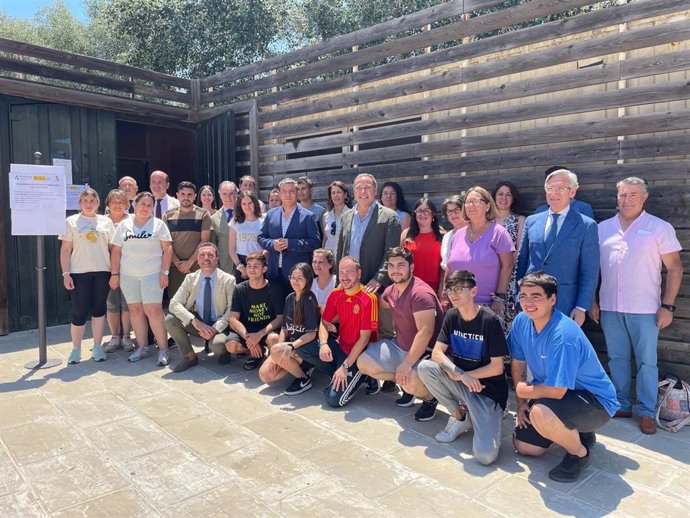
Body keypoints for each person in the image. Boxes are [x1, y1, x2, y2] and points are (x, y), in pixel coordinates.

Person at [590, 177, 683, 434]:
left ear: (644, 198)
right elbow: (593, 269)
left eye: (633, 195)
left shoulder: (658, 227)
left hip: (645, 309)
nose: (627, 199)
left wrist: (668, 306)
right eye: (622, 195)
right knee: (617, 358)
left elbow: (675, 268)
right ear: (616, 197)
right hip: (610, 306)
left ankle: (646, 412)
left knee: (647, 362)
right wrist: (593, 300)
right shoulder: (603, 228)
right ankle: (621, 403)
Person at [509, 272, 619, 483]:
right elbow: (518, 361)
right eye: (523, 295)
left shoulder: (563, 334)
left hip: (595, 402)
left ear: (552, 300)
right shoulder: (522, 321)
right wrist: (521, 402)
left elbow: (557, 391)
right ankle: (576, 432)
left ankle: (579, 453)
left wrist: (523, 391)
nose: (528, 302)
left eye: (536, 296)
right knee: (525, 447)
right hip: (558, 394)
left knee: (541, 414)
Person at [417, 270, 509, 465]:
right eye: (450, 289)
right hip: (463, 383)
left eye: (459, 288)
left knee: (485, 457)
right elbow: (437, 353)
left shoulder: (489, 321)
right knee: (425, 367)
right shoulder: (451, 315)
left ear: (474, 291)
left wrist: (466, 375)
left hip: (486, 392)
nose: (453, 294)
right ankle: (459, 417)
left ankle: (489, 417)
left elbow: (497, 367)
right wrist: (461, 375)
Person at [357, 247, 444, 421]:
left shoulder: (421, 294)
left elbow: (425, 333)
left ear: (411, 268)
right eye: (391, 266)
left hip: (425, 352)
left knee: (410, 379)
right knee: (364, 363)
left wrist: (406, 364)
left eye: (400, 265)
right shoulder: (392, 290)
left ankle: (429, 397)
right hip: (401, 345)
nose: (395, 270)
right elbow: (381, 304)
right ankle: (406, 384)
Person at [516, 169, 599, 326]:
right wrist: (518, 297)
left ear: (572, 192)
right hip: (530, 304)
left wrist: (581, 307)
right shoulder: (532, 222)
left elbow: (590, 271)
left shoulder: (586, 225)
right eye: (550, 188)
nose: (554, 193)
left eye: (560, 188)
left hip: (566, 304)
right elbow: (522, 262)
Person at [297, 256, 379, 407]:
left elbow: (365, 339)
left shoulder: (369, 298)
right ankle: (337, 373)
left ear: (359, 273)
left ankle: (363, 375)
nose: (345, 277)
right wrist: (323, 344)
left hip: (360, 354)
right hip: (341, 346)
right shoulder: (336, 293)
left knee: (333, 400)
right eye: (341, 272)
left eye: (349, 272)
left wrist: (345, 366)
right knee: (303, 347)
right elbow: (324, 322)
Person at [110, 192, 173, 366]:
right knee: (135, 310)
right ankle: (143, 347)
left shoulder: (158, 224)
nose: (145, 208)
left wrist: (164, 273)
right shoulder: (124, 225)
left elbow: (167, 249)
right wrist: (114, 274)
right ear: (134, 205)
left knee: (153, 310)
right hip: (128, 275)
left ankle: (163, 349)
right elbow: (116, 251)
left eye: (149, 205)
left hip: (152, 274)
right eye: (142, 204)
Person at [337, 173, 401, 338]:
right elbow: (341, 251)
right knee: (353, 330)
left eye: (367, 187)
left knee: (381, 333)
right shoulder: (346, 217)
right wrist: (339, 281)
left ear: (375, 190)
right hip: (350, 286)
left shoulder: (389, 216)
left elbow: (392, 254)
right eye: (358, 187)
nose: (362, 191)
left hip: (376, 287)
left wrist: (379, 278)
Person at [59, 188, 116, 364]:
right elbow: (66, 249)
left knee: (99, 311)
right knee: (79, 312)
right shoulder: (71, 222)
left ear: (98, 203)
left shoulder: (106, 222)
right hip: (78, 272)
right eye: (85, 201)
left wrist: (114, 272)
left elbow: (113, 249)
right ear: (80, 203)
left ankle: (97, 347)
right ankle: (76, 349)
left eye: (92, 200)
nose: (89, 204)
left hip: (102, 271)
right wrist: (66, 273)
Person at [165, 242, 236, 373]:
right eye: (202, 255)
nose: (206, 258)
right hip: (199, 322)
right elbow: (174, 303)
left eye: (210, 255)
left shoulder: (228, 280)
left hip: (219, 324)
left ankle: (224, 352)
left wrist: (214, 329)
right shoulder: (190, 278)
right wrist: (195, 322)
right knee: (170, 320)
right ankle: (189, 356)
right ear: (197, 260)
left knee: (217, 346)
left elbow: (231, 311)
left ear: (216, 259)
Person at [446, 186, 515, 317]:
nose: (471, 205)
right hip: (459, 305)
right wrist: (445, 292)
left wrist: (499, 297)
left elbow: (508, 265)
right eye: (468, 202)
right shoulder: (458, 235)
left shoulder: (499, 233)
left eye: (476, 201)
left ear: (487, 206)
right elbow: (449, 266)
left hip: (488, 307)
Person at [259, 263, 321, 395]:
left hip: (305, 347)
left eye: (300, 278)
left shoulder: (309, 299)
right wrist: (278, 354)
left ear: (308, 280)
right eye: (293, 277)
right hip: (291, 346)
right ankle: (297, 367)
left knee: (276, 350)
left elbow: (311, 335)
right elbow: (285, 329)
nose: (295, 281)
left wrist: (287, 348)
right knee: (265, 375)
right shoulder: (290, 298)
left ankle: (303, 378)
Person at [258, 177, 321, 295]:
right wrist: (272, 244)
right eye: (284, 191)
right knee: (276, 310)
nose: (288, 194)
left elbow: (315, 242)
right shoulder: (271, 214)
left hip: (298, 275)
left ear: (297, 193)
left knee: (296, 310)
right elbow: (261, 237)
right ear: (280, 194)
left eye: (291, 191)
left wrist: (291, 243)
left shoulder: (308, 216)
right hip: (274, 272)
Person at [224, 252, 283, 370]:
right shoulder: (239, 289)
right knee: (230, 346)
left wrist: (260, 334)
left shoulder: (275, 288)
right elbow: (233, 319)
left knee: (274, 339)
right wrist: (249, 339)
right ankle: (255, 352)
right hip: (247, 331)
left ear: (264, 269)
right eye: (249, 266)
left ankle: (271, 359)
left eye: (256, 266)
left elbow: (280, 318)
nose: (251, 269)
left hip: (266, 330)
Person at [163, 181, 212, 297]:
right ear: (177, 195)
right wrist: (177, 263)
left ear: (195, 196)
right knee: (176, 302)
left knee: (197, 301)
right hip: (174, 268)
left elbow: (204, 241)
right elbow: (166, 243)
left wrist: (189, 263)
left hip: (196, 266)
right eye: (183, 194)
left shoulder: (203, 214)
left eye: (189, 194)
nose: (186, 197)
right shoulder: (168, 215)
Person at [103, 189, 135, 354]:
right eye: (114, 202)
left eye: (121, 202)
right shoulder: (101, 222)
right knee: (112, 304)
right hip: (106, 269)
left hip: (129, 269)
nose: (117, 205)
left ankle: (127, 337)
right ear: (108, 204)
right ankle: (115, 336)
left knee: (127, 304)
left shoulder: (132, 221)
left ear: (126, 204)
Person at [492, 181, 526, 328]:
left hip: (510, 277)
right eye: (500, 194)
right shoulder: (487, 221)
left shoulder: (519, 220)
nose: (503, 198)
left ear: (513, 199)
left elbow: (518, 251)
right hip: (488, 275)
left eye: (508, 195)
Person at [401, 198, 445, 293]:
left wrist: (442, 288)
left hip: (435, 288)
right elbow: (399, 260)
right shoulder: (406, 234)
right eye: (419, 211)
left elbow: (445, 265)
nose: (422, 214)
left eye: (427, 211)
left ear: (433, 214)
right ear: (415, 214)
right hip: (410, 286)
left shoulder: (442, 234)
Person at [228, 191, 264, 283]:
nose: (247, 206)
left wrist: (259, 260)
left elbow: (268, 244)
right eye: (244, 204)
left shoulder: (263, 221)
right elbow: (231, 248)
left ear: (255, 203)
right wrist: (240, 267)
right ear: (240, 206)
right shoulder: (235, 222)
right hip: (241, 262)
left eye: (250, 203)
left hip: (259, 261)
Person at [210, 181, 238, 274]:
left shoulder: (246, 214)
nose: (228, 198)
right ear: (219, 195)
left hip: (246, 264)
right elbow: (213, 245)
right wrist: (216, 267)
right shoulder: (214, 218)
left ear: (237, 193)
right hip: (224, 266)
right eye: (224, 194)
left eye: (231, 194)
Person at [322, 180, 351, 254]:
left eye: (339, 192)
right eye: (333, 193)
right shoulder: (326, 216)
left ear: (345, 195)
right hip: (328, 260)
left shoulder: (352, 214)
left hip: (344, 257)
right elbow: (325, 239)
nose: (336, 195)